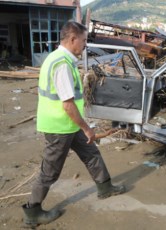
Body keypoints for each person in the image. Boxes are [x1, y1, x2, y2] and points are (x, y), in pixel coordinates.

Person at [22, 21, 126, 228]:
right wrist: (86, 127)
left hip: (69, 125)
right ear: (72, 39)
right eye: (84, 40)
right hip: (60, 126)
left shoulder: (57, 58)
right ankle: (32, 212)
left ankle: (105, 188)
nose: (85, 45)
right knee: (50, 171)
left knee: (91, 152)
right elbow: (68, 104)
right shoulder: (61, 64)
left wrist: (82, 127)